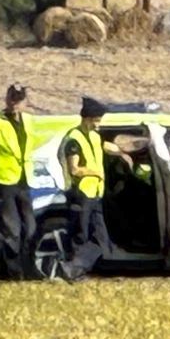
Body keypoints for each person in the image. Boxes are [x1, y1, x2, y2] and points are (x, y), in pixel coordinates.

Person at [56, 98, 131, 282]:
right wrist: (96, 172)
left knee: (101, 237)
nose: (98, 124)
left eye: (99, 120)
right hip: (81, 194)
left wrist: (124, 152)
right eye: (96, 120)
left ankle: (73, 269)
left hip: (95, 193)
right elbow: (74, 169)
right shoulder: (73, 139)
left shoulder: (95, 136)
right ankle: (74, 271)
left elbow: (105, 147)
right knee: (80, 235)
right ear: (86, 118)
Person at [0, 84, 38, 279]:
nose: (14, 103)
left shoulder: (29, 121)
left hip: (23, 179)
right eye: (12, 98)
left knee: (30, 228)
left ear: (25, 102)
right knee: (12, 230)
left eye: (19, 99)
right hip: (1, 181)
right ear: (6, 99)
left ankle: (28, 269)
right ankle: (15, 273)